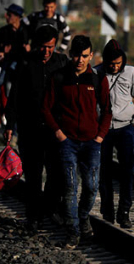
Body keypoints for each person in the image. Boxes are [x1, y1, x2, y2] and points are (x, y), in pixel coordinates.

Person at [41, 35, 111, 250]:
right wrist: (59, 133)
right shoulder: (59, 77)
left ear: (91, 56)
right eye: (76, 55)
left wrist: (100, 136)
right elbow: (46, 108)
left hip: (92, 142)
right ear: (70, 55)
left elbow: (108, 110)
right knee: (70, 187)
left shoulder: (98, 79)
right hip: (68, 142)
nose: (80, 60)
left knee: (91, 188)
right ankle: (73, 233)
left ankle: (82, 218)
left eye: (84, 56)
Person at [5, 26, 67, 233]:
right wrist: (10, 124)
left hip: (54, 130)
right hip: (30, 129)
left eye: (50, 47)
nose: (46, 51)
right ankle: (34, 217)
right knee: (32, 177)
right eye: (43, 47)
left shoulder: (61, 63)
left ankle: (51, 207)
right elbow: (14, 96)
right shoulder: (26, 63)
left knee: (56, 174)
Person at [94, 39, 134, 229]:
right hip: (104, 130)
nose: (115, 67)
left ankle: (124, 211)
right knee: (104, 171)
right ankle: (107, 210)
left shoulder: (131, 72)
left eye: (118, 63)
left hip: (126, 127)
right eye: (111, 64)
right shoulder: (96, 73)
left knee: (128, 171)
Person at [0, 4, 29, 129]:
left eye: (10, 15)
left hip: (22, 69)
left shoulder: (25, 31)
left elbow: (28, 49)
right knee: (3, 88)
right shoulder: (4, 31)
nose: (7, 17)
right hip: (8, 66)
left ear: (17, 17)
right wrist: (3, 49)